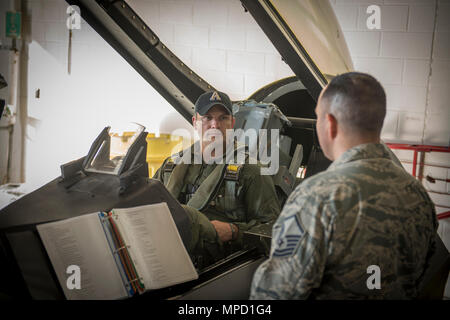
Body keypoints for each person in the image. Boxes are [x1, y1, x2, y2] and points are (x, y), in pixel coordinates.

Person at [250, 72, 438, 299]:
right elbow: (424, 271)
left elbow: (276, 293)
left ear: (329, 123)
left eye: (318, 117)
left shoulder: (316, 196)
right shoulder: (418, 195)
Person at [153, 90, 280, 267]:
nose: (215, 125)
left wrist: (234, 231)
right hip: (166, 256)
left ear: (232, 123)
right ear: (195, 123)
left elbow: (273, 230)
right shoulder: (170, 166)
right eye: (207, 118)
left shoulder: (251, 171)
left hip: (218, 268)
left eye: (223, 118)